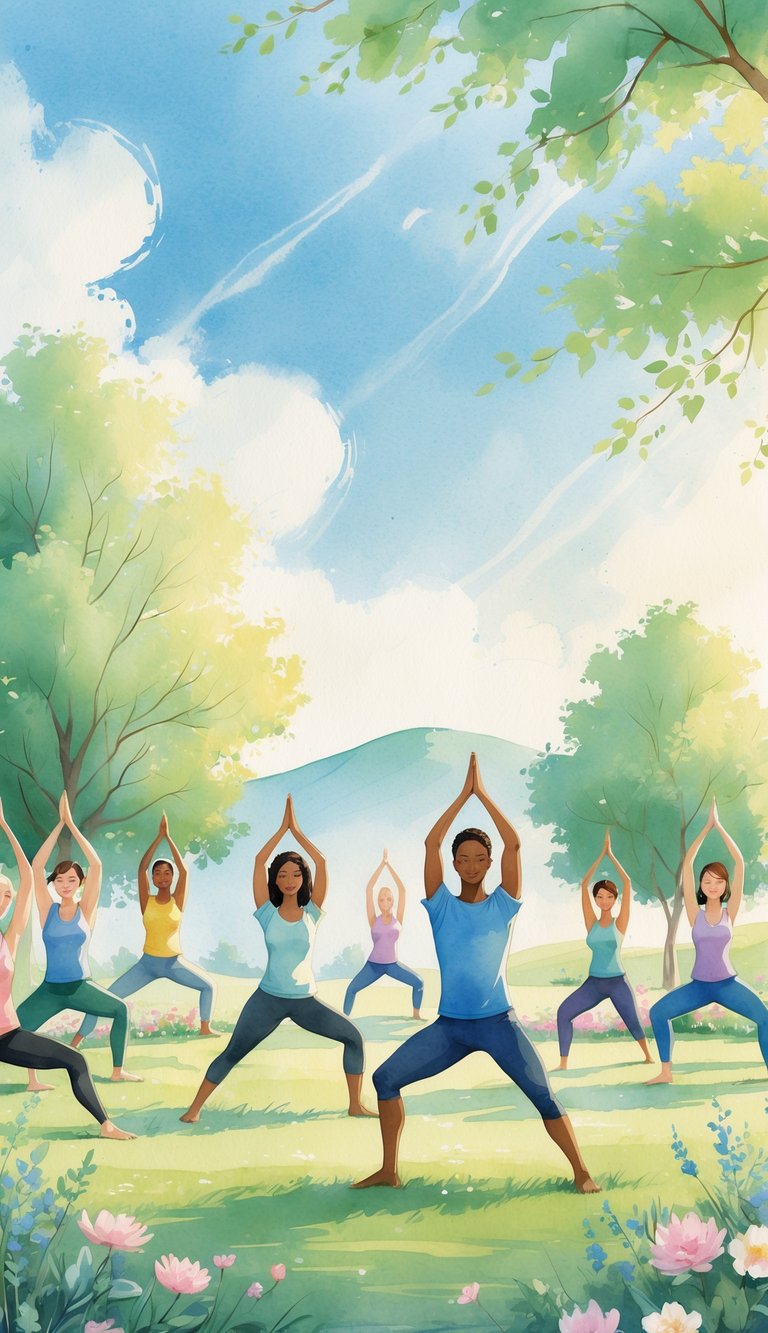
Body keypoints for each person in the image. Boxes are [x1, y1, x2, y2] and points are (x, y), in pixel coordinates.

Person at [353, 754, 599, 1193]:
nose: (470, 865)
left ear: (489, 863)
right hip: (450, 1029)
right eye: (462, 858)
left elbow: (515, 847)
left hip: (498, 1024)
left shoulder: (503, 903)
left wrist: (481, 795)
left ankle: (582, 1173)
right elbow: (430, 845)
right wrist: (460, 797)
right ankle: (389, 1170)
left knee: (543, 1096)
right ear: (454, 863)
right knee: (384, 1079)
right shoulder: (440, 906)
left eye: (479, 858)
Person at [181, 795, 375, 1122]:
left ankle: (355, 1104)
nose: (288, 881)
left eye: (295, 875)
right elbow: (259, 861)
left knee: (353, 1038)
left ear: (303, 878)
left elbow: (323, 863)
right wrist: (281, 829)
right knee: (232, 1052)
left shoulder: (312, 912)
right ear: (275, 880)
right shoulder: (266, 913)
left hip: (304, 1001)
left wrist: (296, 832)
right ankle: (193, 1110)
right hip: (267, 1000)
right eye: (282, 875)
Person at [0, 797, 134, 1139]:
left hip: (62, 996)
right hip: (49, 991)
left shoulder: (16, 934)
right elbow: (35, 870)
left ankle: (112, 1098)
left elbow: (84, 868)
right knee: (37, 1033)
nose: (65, 884)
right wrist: (57, 826)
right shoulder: (42, 913)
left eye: (6, 894)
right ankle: (33, 1082)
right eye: (59, 880)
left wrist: (67, 824)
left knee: (96, 1036)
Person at [72, 813, 218, 1052]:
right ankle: (78, 1039)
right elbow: (141, 867)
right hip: (147, 964)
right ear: (152, 878)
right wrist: (157, 838)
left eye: (166, 873)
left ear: (172, 878)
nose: (162, 876)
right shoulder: (146, 901)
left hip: (173, 963)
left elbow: (185, 870)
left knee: (208, 986)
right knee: (105, 998)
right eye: (157, 873)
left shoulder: (177, 901)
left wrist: (168, 838)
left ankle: (205, 1026)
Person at [647, 797, 768, 1084]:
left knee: (765, 1017)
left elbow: (738, 862)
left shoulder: (730, 912)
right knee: (657, 1012)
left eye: (719, 882)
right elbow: (687, 863)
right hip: (699, 986)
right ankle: (666, 1072)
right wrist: (705, 827)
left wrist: (719, 826)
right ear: (701, 886)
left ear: (726, 887)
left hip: (728, 984)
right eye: (707, 881)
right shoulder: (694, 913)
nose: (713, 886)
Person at [555, 831, 651, 1069]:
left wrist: (612, 854)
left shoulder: (620, 923)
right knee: (563, 1012)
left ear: (615, 899)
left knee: (633, 1020)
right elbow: (584, 884)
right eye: (600, 897)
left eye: (609, 896)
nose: (604, 900)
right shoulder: (592, 923)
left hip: (617, 981)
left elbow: (628, 883)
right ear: (596, 899)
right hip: (594, 983)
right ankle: (563, 1063)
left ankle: (649, 1056)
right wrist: (601, 856)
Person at [343, 850, 424, 1019]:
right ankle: (344, 1020)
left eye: (388, 898)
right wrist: (382, 864)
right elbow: (369, 888)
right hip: (373, 966)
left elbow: (402, 889)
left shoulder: (398, 919)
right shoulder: (373, 919)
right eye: (381, 899)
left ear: (393, 901)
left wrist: (389, 865)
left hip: (392, 965)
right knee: (351, 989)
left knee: (419, 982)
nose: (385, 902)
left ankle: (416, 1015)